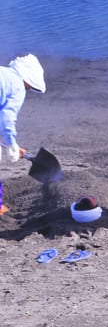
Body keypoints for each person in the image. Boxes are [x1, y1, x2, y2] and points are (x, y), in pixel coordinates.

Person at [0, 54, 46, 213]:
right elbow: (7, 116)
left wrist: (7, 143)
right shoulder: (17, 86)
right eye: (30, 86)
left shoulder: (3, 73)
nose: (28, 89)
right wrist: (11, 142)